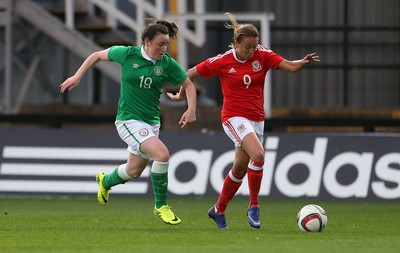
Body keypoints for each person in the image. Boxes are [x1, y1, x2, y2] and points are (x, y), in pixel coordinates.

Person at [168, 12, 320, 229]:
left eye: (255, 46)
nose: (252, 51)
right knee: (258, 155)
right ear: (236, 44)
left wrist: (302, 62)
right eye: (248, 46)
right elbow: (190, 73)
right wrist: (183, 97)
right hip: (233, 117)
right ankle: (254, 206)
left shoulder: (263, 55)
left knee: (239, 168)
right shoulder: (222, 61)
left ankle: (218, 210)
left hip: (257, 119)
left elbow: (290, 66)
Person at [60, 19, 197, 225]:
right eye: (160, 44)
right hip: (128, 121)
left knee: (133, 171)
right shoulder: (127, 54)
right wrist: (77, 76)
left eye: (166, 44)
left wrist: (190, 108)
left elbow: (189, 85)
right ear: (147, 41)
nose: (164, 48)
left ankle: (105, 181)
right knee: (162, 155)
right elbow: (96, 55)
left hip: (151, 123)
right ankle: (161, 206)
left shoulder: (166, 63)